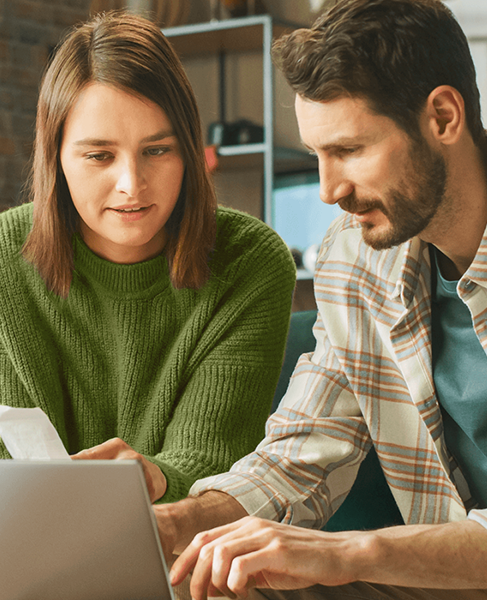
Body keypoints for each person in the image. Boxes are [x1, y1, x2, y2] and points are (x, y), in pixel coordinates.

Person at [154, 0, 487, 597]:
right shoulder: (353, 260)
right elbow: (300, 454)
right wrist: (178, 522)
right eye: (317, 157)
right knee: (199, 579)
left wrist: (350, 553)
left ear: (442, 116)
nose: (330, 189)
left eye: (351, 150)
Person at [0, 12, 295, 504]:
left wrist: (156, 477)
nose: (131, 185)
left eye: (157, 151)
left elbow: (213, 462)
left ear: (190, 151)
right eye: (99, 156)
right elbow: (4, 462)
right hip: (38, 540)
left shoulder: (251, 262)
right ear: (56, 158)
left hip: (188, 549)